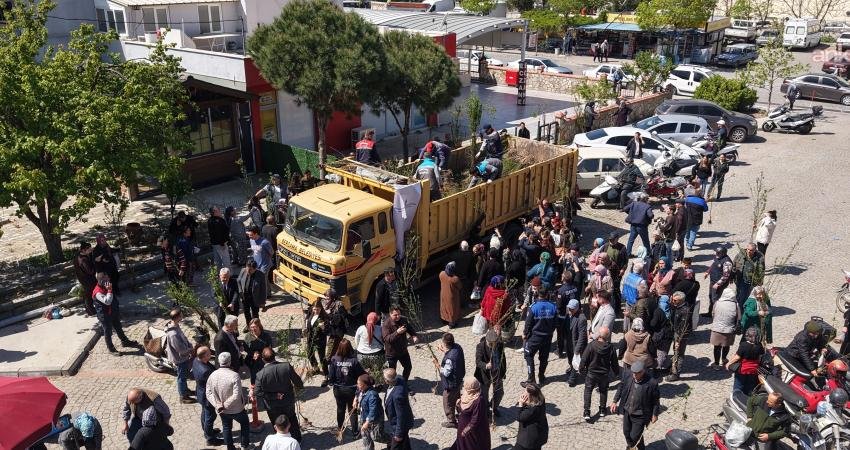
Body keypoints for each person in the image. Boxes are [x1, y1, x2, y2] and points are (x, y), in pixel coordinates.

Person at [254, 348, 305, 442]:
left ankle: (282, 442)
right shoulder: (286, 366)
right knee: (292, 420)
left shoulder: (260, 375)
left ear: (263, 359)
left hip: (272, 406)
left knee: (277, 423)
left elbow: (257, 392)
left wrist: (274, 396)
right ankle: (297, 440)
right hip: (288, 402)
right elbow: (298, 382)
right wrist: (298, 388)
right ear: (274, 356)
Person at [611, 360, 660, 450]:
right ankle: (641, 447)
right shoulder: (627, 374)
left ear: (643, 371)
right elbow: (621, 387)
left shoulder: (652, 383)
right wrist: (615, 401)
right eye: (633, 373)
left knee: (634, 437)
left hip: (640, 416)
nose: (634, 376)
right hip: (627, 411)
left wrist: (655, 414)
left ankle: (630, 448)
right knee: (626, 432)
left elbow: (656, 401)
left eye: (637, 373)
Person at [206, 352, 251, 450]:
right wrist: (224, 405)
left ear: (218, 361)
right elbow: (236, 395)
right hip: (237, 409)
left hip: (222, 410)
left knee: (226, 427)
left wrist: (218, 405)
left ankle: (230, 448)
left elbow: (208, 393)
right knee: (245, 424)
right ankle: (245, 445)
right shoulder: (234, 375)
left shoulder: (212, 375)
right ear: (230, 362)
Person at [580, 326, 619, 421]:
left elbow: (584, 359)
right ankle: (602, 410)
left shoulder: (591, 345)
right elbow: (614, 363)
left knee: (588, 391)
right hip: (604, 374)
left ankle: (587, 411)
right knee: (603, 391)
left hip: (592, 373)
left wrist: (581, 369)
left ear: (599, 335)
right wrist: (617, 373)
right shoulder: (611, 348)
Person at [329, 339, 365, 438]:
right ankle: (354, 431)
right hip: (351, 390)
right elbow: (361, 374)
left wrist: (333, 382)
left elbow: (331, 376)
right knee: (352, 410)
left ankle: (340, 428)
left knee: (340, 409)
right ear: (350, 348)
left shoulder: (334, 359)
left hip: (338, 389)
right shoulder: (354, 361)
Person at [92, 272, 134, 356]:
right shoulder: (97, 292)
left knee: (118, 327)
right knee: (108, 331)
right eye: (106, 278)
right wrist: (110, 290)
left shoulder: (105, 286)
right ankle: (111, 349)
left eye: (108, 277)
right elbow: (107, 301)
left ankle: (125, 341)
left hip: (112, 312)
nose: (109, 279)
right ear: (101, 280)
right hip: (105, 315)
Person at [522, 288, 557, 387]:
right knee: (544, 358)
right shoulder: (553, 306)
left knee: (528, 355)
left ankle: (531, 379)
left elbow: (528, 324)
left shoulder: (533, 307)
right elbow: (555, 323)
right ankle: (541, 376)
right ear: (547, 294)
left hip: (534, 337)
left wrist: (525, 334)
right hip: (547, 337)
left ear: (537, 295)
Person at [432, 333, 466, 428]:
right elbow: (452, 356)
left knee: (447, 402)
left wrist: (437, 364)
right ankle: (462, 415)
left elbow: (446, 372)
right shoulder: (457, 347)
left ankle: (451, 421)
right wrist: (444, 351)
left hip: (451, 383)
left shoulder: (450, 358)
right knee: (458, 398)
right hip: (459, 379)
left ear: (445, 344)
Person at [193, 346, 222, 446]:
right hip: (206, 396)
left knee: (204, 413)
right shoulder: (205, 371)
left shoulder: (196, 360)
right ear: (205, 356)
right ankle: (210, 439)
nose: (211, 353)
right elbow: (213, 383)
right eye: (209, 353)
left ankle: (206, 431)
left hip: (200, 392)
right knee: (210, 416)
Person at [165, 308, 195, 404]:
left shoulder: (176, 326)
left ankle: (185, 390)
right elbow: (181, 350)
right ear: (177, 317)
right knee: (181, 378)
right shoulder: (173, 334)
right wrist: (190, 350)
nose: (182, 316)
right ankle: (183, 397)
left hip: (183, 357)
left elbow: (183, 338)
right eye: (181, 315)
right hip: (179, 359)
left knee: (184, 376)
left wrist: (189, 344)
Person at [450, 377, 490, 450]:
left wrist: (466, 430)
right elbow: (463, 410)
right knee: (462, 444)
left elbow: (476, 419)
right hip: (462, 425)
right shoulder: (466, 393)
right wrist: (459, 405)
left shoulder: (478, 400)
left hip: (473, 431)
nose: (464, 387)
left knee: (471, 445)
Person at [474, 332, 506, 418]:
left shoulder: (500, 345)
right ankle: (486, 412)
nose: (492, 345)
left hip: (497, 373)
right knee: (484, 396)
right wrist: (485, 365)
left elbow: (503, 359)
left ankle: (494, 407)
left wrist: (503, 372)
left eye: (494, 343)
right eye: (490, 344)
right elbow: (478, 362)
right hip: (484, 376)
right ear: (486, 340)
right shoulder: (480, 346)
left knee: (499, 393)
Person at [383, 306, 419, 380]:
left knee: (408, 367)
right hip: (392, 353)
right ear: (390, 314)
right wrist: (397, 332)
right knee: (392, 372)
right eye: (395, 315)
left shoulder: (403, 319)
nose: (398, 316)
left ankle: (404, 383)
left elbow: (409, 328)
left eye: (399, 314)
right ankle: (393, 386)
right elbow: (387, 339)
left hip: (403, 350)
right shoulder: (386, 324)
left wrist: (414, 335)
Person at [727, 327, 766, 395]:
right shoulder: (759, 345)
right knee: (750, 387)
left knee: (738, 386)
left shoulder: (743, 345)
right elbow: (760, 357)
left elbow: (737, 357)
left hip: (742, 369)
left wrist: (728, 363)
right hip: (754, 370)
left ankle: (737, 399)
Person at [383, 368, 414, 450]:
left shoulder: (397, 396)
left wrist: (398, 434)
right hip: (403, 423)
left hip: (399, 425)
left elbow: (401, 416)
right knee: (405, 443)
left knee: (396, 446)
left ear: (388, 381)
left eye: (384, 378)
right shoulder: (399, 378)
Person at [710, 289, 740, 369]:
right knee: (726, 345)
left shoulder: (717, 303)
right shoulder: (735, 304)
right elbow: (738, 317)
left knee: (717, 347)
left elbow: (713, 314)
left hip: (717, 329)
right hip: (729, 329)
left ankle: (716, 364)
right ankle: (724, 359)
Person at [666, 291, 692, 382]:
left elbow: (684, 327)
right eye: (672, 299)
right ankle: (673, 366)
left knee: (679, 353)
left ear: (681, 301)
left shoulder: (685, 311)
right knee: (675, 351)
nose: (673, 301)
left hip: (681, 335)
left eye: (675, 300)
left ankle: (676, 373)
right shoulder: (677, 306)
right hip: (676, 331)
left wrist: (678, 341)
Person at [514, 382, 548, 450]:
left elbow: (520, 417)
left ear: (531, 396)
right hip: (540, 435)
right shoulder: (541, 399)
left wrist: (520, 404)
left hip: (527, 440)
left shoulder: (531, 410)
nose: (523, 393)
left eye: (525, 392)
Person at [355, 374, 385, 450]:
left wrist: (367, 423)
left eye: (359, 385)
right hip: (364, 415)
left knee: (376, 436)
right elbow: (358, 392)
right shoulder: (361, 389)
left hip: (375, 419)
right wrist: (355, 399)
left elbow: (373, 410)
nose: (358, 386)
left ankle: (392, 441)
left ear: (365, 385)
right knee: (365, 436)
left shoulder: (372, 395)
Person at [703, 247, 733, 318]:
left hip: (719, 284)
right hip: (713, 281)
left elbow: (726, 275)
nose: (716, 254)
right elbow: (713, 265)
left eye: (718, 253)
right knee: (711, 297)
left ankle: (717, 316)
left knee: (716, 300)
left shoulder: (727, 262)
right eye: (716, 252)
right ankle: (710, 313)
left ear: (723, 253)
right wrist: (708, 272)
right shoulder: (718, 257)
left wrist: (718, 284)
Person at [244, 318, 275, 384]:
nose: (253, 329)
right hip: (252, 360)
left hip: (264, 359)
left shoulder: (266, 336)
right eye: (251, 327)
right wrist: (253, 353)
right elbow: (246, 348)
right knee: (253, 375)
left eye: (255, 327)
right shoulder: (248, 336)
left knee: (265, 374)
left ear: (259, 326)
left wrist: (260, 354)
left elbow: (269, 348)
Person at [733, 243, 765, 308]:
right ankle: (738, 309)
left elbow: (761, 270)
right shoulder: (740, 255)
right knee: (739, 295)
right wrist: (732, 276)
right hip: (740, 279)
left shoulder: (759, 257)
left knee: (747, 296)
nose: (749, 251)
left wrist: (759, 282)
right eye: (748, 249)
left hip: (751, 281)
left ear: (755, 250)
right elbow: (734, 264)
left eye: (751, 250)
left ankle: (742, 310)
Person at [237, 260, 267, 329]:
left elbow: (263, 290)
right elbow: (238, 280)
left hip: (255, 298)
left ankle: (256, 327)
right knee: (246, 313)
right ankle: (248, 325)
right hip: (245, 297)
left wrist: (263, 302)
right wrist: (240, 292)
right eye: (247, 269)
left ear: (255, 269)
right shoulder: (243, 270)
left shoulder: (261, 275)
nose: (248, 271)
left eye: (250, 270)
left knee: (255, 314)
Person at [565, 299, 588, 387]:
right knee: (571, 359)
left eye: (572, 309)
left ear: (577, 308)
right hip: (570, 342)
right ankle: (573, 370)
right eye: (569, 308)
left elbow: (582, 336)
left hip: (577, 344)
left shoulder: (582, 319)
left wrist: (577, 350)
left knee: (576, 361)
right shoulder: (570, 314)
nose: (570, 310)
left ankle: (572, 379)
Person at [305, 302, 329, 383]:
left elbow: (327, 331)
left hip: (320, 340)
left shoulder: (324, 318)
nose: (316, 311)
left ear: (321, 309)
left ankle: (326, 374)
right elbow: (307, 319)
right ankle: (316, 368)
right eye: (314, 309)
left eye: (318, 309)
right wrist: (306, 325)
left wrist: (323, 328)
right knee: (309, 354)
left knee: (322, 357)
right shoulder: (311, 313)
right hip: (310, 339)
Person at [73, 242, 97, 316]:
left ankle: (89, 310)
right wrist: (96, 262)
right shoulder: (83, 260)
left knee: (87, 296)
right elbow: (90, 271)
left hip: (83, 279)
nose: (90, 250)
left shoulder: (79, 256)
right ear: (83, 250)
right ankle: (91, 311)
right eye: (89, 249)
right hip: (88, 280)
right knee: (89, 296)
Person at [440, 262, 463, 328]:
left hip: (443, 294)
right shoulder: (455, 279)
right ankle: (452, 323)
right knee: (452, 309)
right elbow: (460, 286)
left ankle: (444, 319)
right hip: (452, 297)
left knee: (444, 307)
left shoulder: (441, 274)